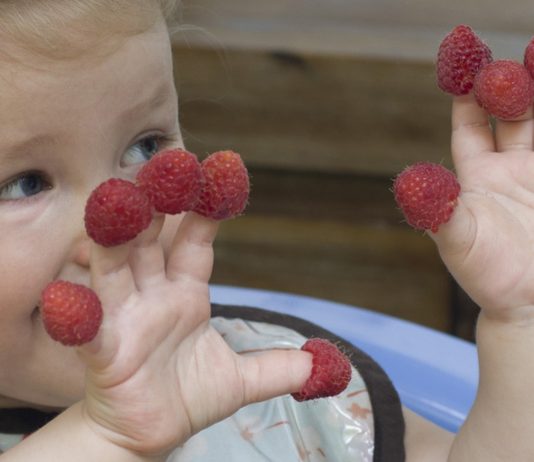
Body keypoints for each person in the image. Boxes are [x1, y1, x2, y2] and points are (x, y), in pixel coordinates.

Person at [0, 1, 532, 460]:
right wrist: (111, 439)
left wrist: (520, 320)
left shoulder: (275, 381)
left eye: (144, 146)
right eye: (23, 183)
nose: (120, 227)